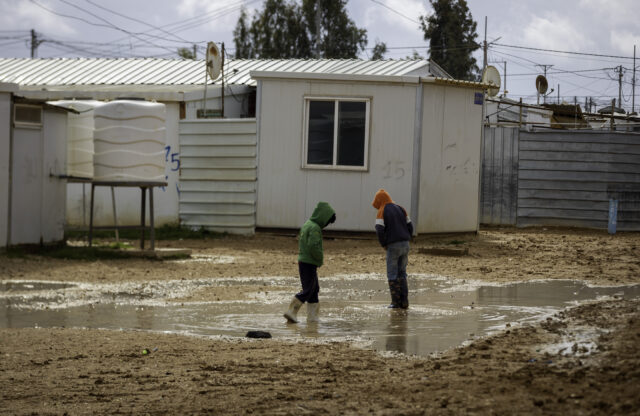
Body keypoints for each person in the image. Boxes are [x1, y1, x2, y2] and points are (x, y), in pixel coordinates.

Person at [284, 201, 336, 323]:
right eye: (327, 222)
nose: (326, 225)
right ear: (323, 217)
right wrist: (319, 259)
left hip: (303, 261)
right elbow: (313, 246)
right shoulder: (315, 228)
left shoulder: (307, 224)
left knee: (314, 289)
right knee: (309, 289)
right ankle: (292, 311)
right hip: (309, 262)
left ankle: (312, 318)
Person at [372, 189, 413, 309]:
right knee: (402, 273)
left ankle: (395, 303)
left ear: (379, 200)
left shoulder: (382, 210)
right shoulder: (401, 208)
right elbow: (410, 226)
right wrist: (407, 238)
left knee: (392, 273)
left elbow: (379, 229)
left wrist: (384, 244)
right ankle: (404, 302)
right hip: (405, 244)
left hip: (393, 245)